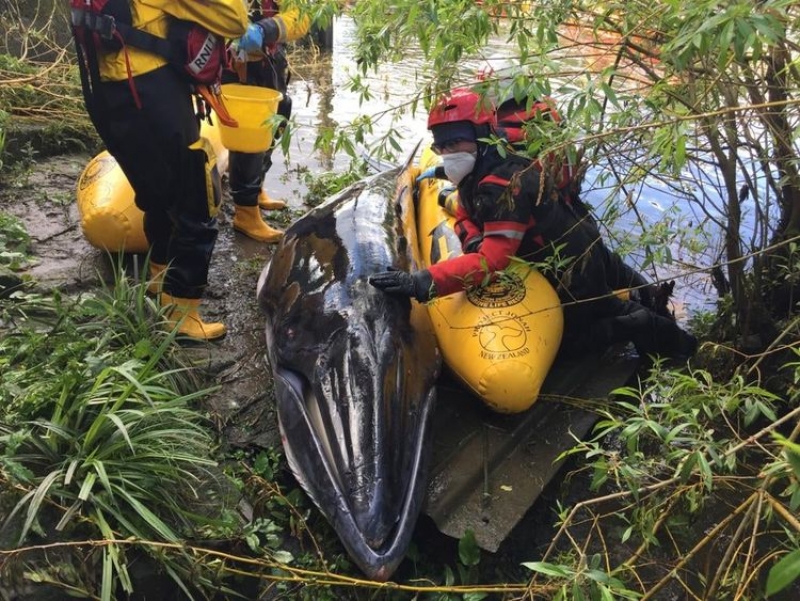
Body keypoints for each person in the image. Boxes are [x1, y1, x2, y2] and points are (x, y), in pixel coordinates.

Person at [369, 87, 697, 359]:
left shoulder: (504, 182)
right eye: (441, 146)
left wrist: (421, 282)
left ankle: (684, 348)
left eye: (455, 144)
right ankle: (655, 302)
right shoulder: (490, 160)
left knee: (572, 344)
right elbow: (467, 211)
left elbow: (491, 261)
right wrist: (470, 236)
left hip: (572, 273)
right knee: (618, 273)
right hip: (579, 236)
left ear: (481, 136)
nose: (447, 153)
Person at [71, 1, 249, 340]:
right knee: (195, 197)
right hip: (150, 88)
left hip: (108, 90)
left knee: (154, 189)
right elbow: (234, 20)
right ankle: (181, 314)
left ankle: (159, 276)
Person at [224, 1, 310, 243]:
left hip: (270, 61)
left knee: (279, 116)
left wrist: (265, 30)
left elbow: (301, 16)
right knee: (248, 135)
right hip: (237, 65)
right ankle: (245, 212)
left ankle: (257, 187)